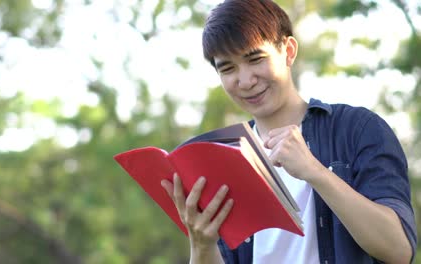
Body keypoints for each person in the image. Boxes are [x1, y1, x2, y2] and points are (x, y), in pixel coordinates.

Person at [160, 0, 417, 263]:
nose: (246, 81)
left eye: (256, 59)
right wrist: (202, 245)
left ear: (288, 51)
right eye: (228, 68)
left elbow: (399, 250)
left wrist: (314, 172)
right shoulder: (222, 160)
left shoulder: (358, 129)